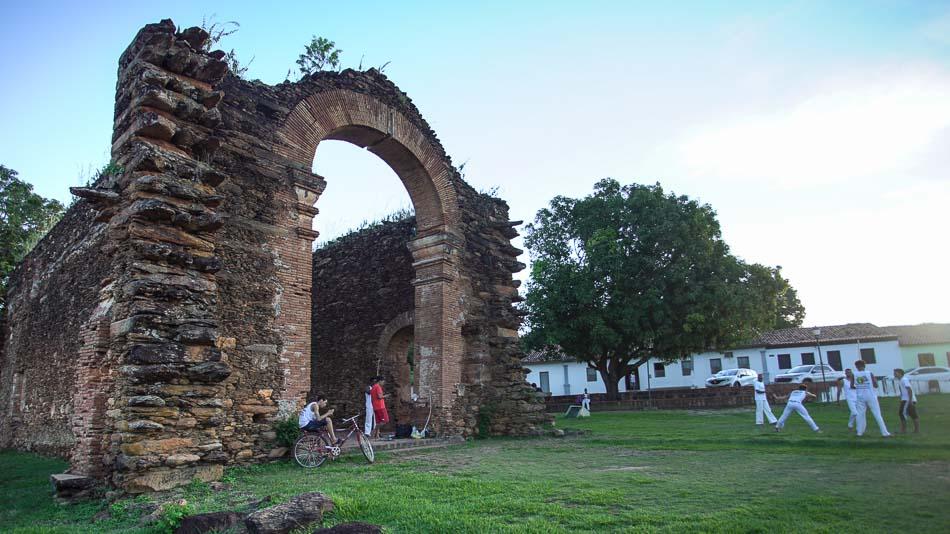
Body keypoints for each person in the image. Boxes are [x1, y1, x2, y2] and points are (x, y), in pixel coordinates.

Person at [853, 360, 891, 437]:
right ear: (864, 366)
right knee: (877, 414)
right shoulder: (869, 373)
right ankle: (885, 432)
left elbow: (852, 386)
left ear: (856, 366)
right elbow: (876, 385)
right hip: (871, 395)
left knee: (860, 415)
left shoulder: (854, 374)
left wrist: (859, 386)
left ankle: (859, 432)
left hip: (860, 396)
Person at [894, 368, 919, 434]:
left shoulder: (904, 380)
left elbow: (909, 389)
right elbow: (903, 391)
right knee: (912, 414)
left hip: (907, 400)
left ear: (900, 373)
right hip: (905, 399)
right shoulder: (901, 380)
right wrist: (901, 399)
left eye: (895, 373)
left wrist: (910, 400)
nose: (894, 374)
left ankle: (903, 430)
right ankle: (916, 430)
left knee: (902, 413)